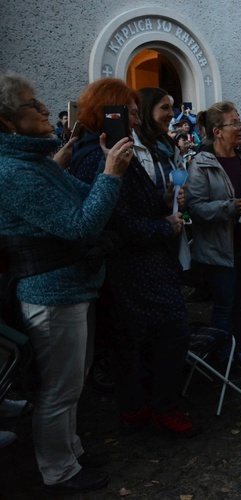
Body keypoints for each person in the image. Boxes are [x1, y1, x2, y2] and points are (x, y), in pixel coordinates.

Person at [0, 71, 131, 493]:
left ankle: (71, 450)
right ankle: (58, 471)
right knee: (59, 389)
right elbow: (82, 224)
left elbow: (82, 198)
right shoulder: (14, 171)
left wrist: (102, 173)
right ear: (6, 121)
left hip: (71, 287)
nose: (44, 108)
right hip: (51, 292)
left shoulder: (34, 161)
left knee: (73, 382)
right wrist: (111, 170)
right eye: (31, 104)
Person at [69, 79, 200, 439]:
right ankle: (159, 406)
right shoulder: (98, 155)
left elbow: (134, 203)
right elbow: (116, 222)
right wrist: (166, 226)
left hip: (145, 264)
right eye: (128, 112)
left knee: (138, 340)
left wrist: (166, 198)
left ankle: (140, 406)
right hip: (132, 265)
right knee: (168, 334)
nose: (136, 120)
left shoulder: (117, 147)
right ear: (108, 112)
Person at [185, 102, 241, 375]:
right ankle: (221, 358)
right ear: (217, 131)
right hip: (220, 250)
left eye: (239, 122)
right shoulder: (202, 164)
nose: (240, 128)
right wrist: (230, 207)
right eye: (234, 123)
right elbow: (196, 209)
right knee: (224, 306)